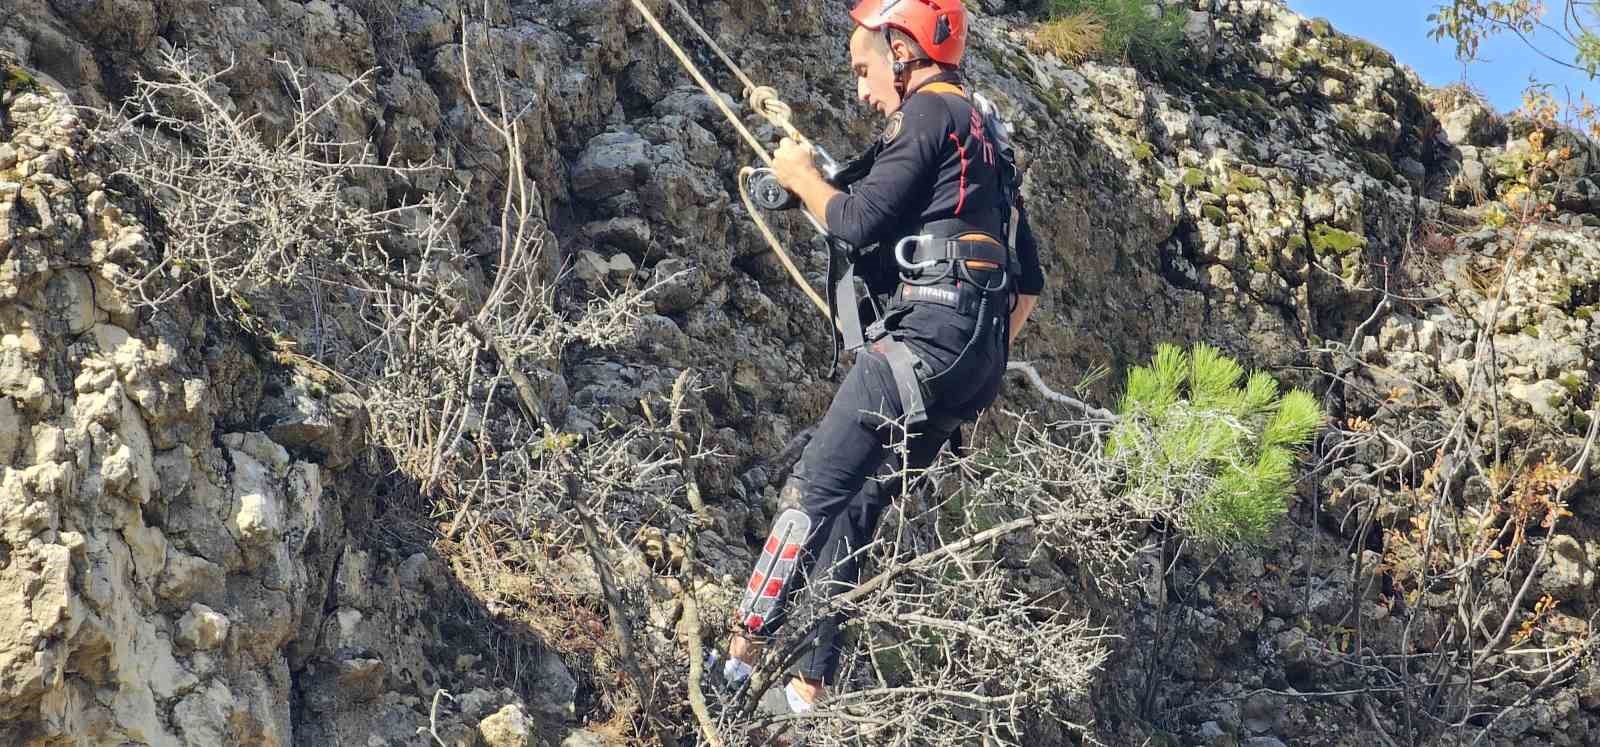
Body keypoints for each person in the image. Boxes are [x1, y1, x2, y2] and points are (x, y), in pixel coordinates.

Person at [719, 0, 1046, 714]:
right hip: (972, 365)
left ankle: (734, 665)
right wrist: (967, 343)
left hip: (920, 345)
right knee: (857, 508)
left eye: (865, 68)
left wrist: (802, 174)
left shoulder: (930, 113)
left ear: (904, 48)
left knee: (810, 493)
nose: (863, 90)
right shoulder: (986, 135)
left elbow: (857, 222)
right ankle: (808, 691)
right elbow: (1028, 287)